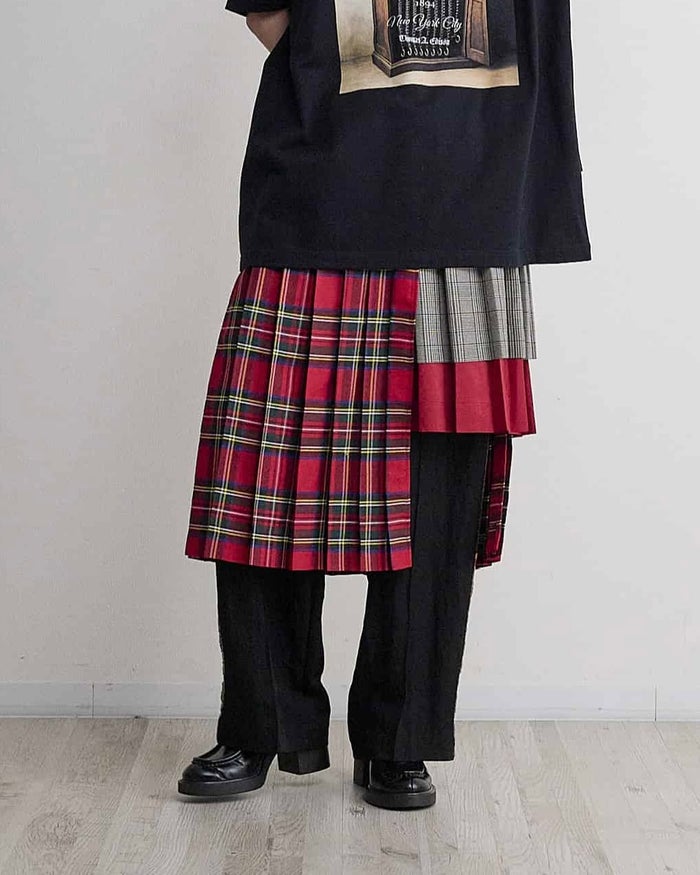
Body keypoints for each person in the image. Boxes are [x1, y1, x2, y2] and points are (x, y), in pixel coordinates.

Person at [177, 0, 590, 810]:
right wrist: (334, 63)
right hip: (319, 189)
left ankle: (400, 740)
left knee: (440, 497)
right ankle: (260, 722)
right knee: (267, 482)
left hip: (472, 197)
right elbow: (267, 13)